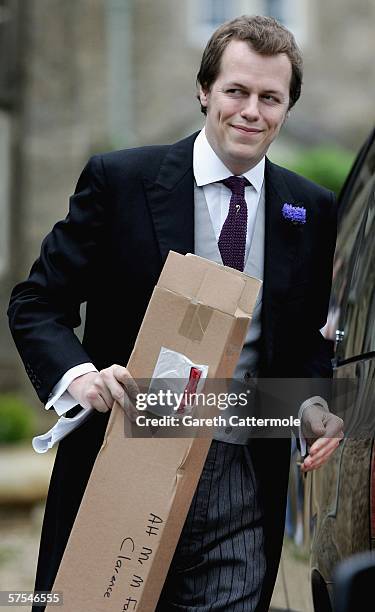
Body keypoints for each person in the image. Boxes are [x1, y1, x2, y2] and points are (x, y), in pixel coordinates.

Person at [8, 15, 344, 612]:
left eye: (271, 98)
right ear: (204, 91)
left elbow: (305, 339)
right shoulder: (120, 181)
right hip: (121, 464)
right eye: (236, 91)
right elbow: (37, 303)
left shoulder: (310, 209)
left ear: (288, 108)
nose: (251, 111)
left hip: (243, 479)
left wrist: (313, 404)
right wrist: (81, 377)